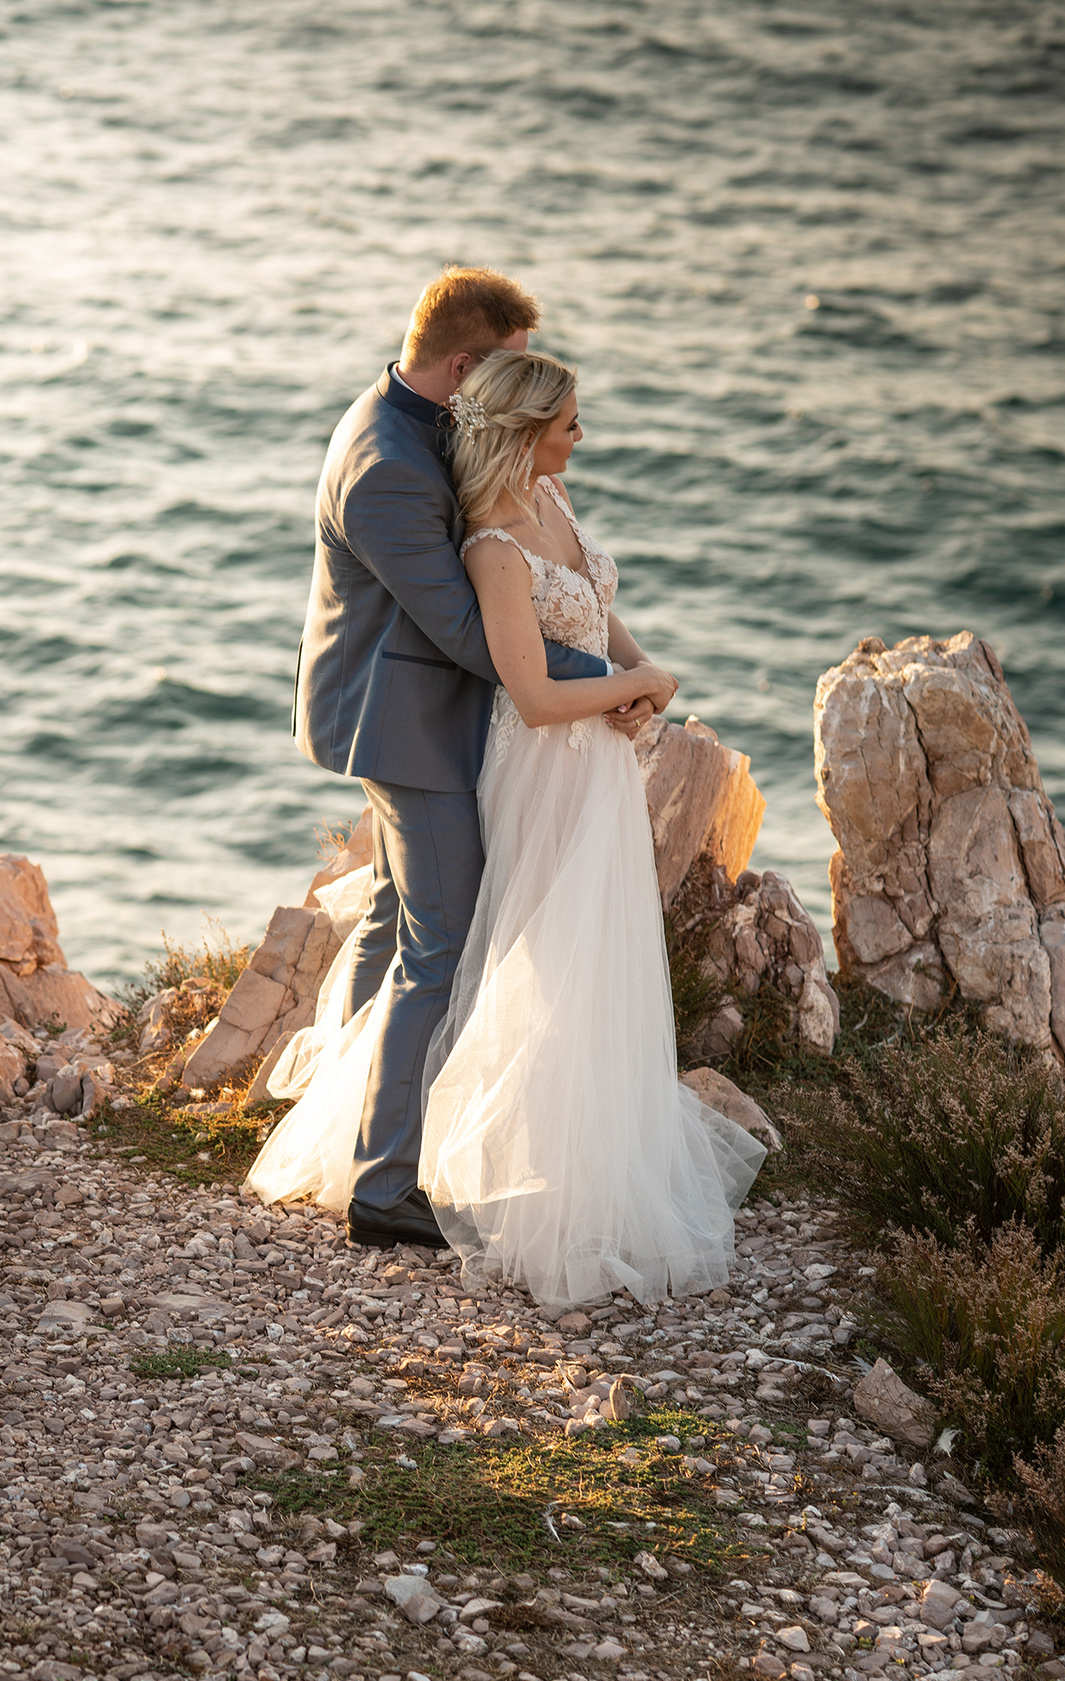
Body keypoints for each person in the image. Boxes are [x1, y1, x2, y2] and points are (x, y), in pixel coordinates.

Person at [261, 334, 765, 1309]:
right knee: (484, 951)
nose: (583, 435)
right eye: (569, 421)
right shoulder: (481, 537)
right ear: (528, 431)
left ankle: (556, 1151)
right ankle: (401, 1175)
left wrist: (634, 676)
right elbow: (517, 678)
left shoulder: (552, 495)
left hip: (594, 764)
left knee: (574, 955)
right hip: (521, 759)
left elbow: (596, 608)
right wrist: (626, 686)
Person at [286, 266, 658, 1251]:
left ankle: (341, 1113)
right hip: (406, 722)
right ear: (461, 367)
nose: (510, 392)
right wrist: (610, 681)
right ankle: (382, 1185)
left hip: (439, 711)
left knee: (395, 919)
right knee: (439, 945)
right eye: (501, 370)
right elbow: (466, 630)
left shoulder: (433, 427)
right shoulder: (387, 466)